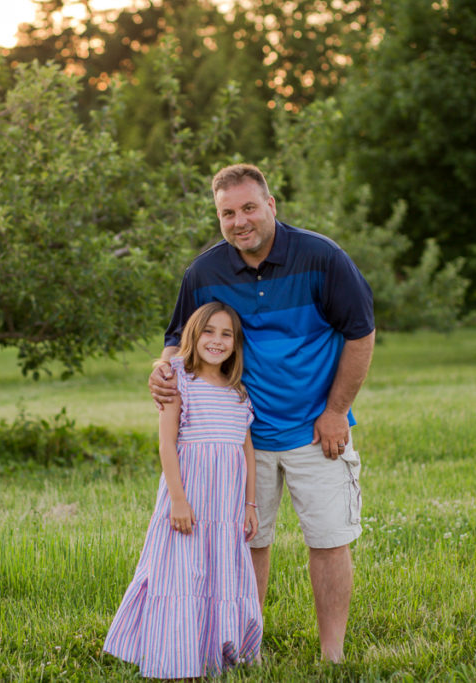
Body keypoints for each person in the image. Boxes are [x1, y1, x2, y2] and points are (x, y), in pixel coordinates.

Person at [149, 163, 375, 663]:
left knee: (329, 539)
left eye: (249, 207)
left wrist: (337, 411)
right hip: (239, 437)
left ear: (271, 205)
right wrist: (161, 369)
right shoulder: (204, 272)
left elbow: (361, 332)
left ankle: (332, 656)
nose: (239, 221)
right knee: (246, 544)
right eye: (227, 213)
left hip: (316, 430)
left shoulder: (323, 258)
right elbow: (176, 339)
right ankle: (243, 649)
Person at [105, 301, 263, 679]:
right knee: (181, 574)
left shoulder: (238, 391)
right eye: (208, 331)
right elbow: (167, 444)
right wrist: (177, 499)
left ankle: (218, 649)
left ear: (235, 343)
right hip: (188, 501)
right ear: (192, 335)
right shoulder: (178, 380)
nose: (217, 340)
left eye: (226, 334)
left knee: (219, 574)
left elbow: (247, 452)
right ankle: (175, 656)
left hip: (224, 510)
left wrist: (250, 505)